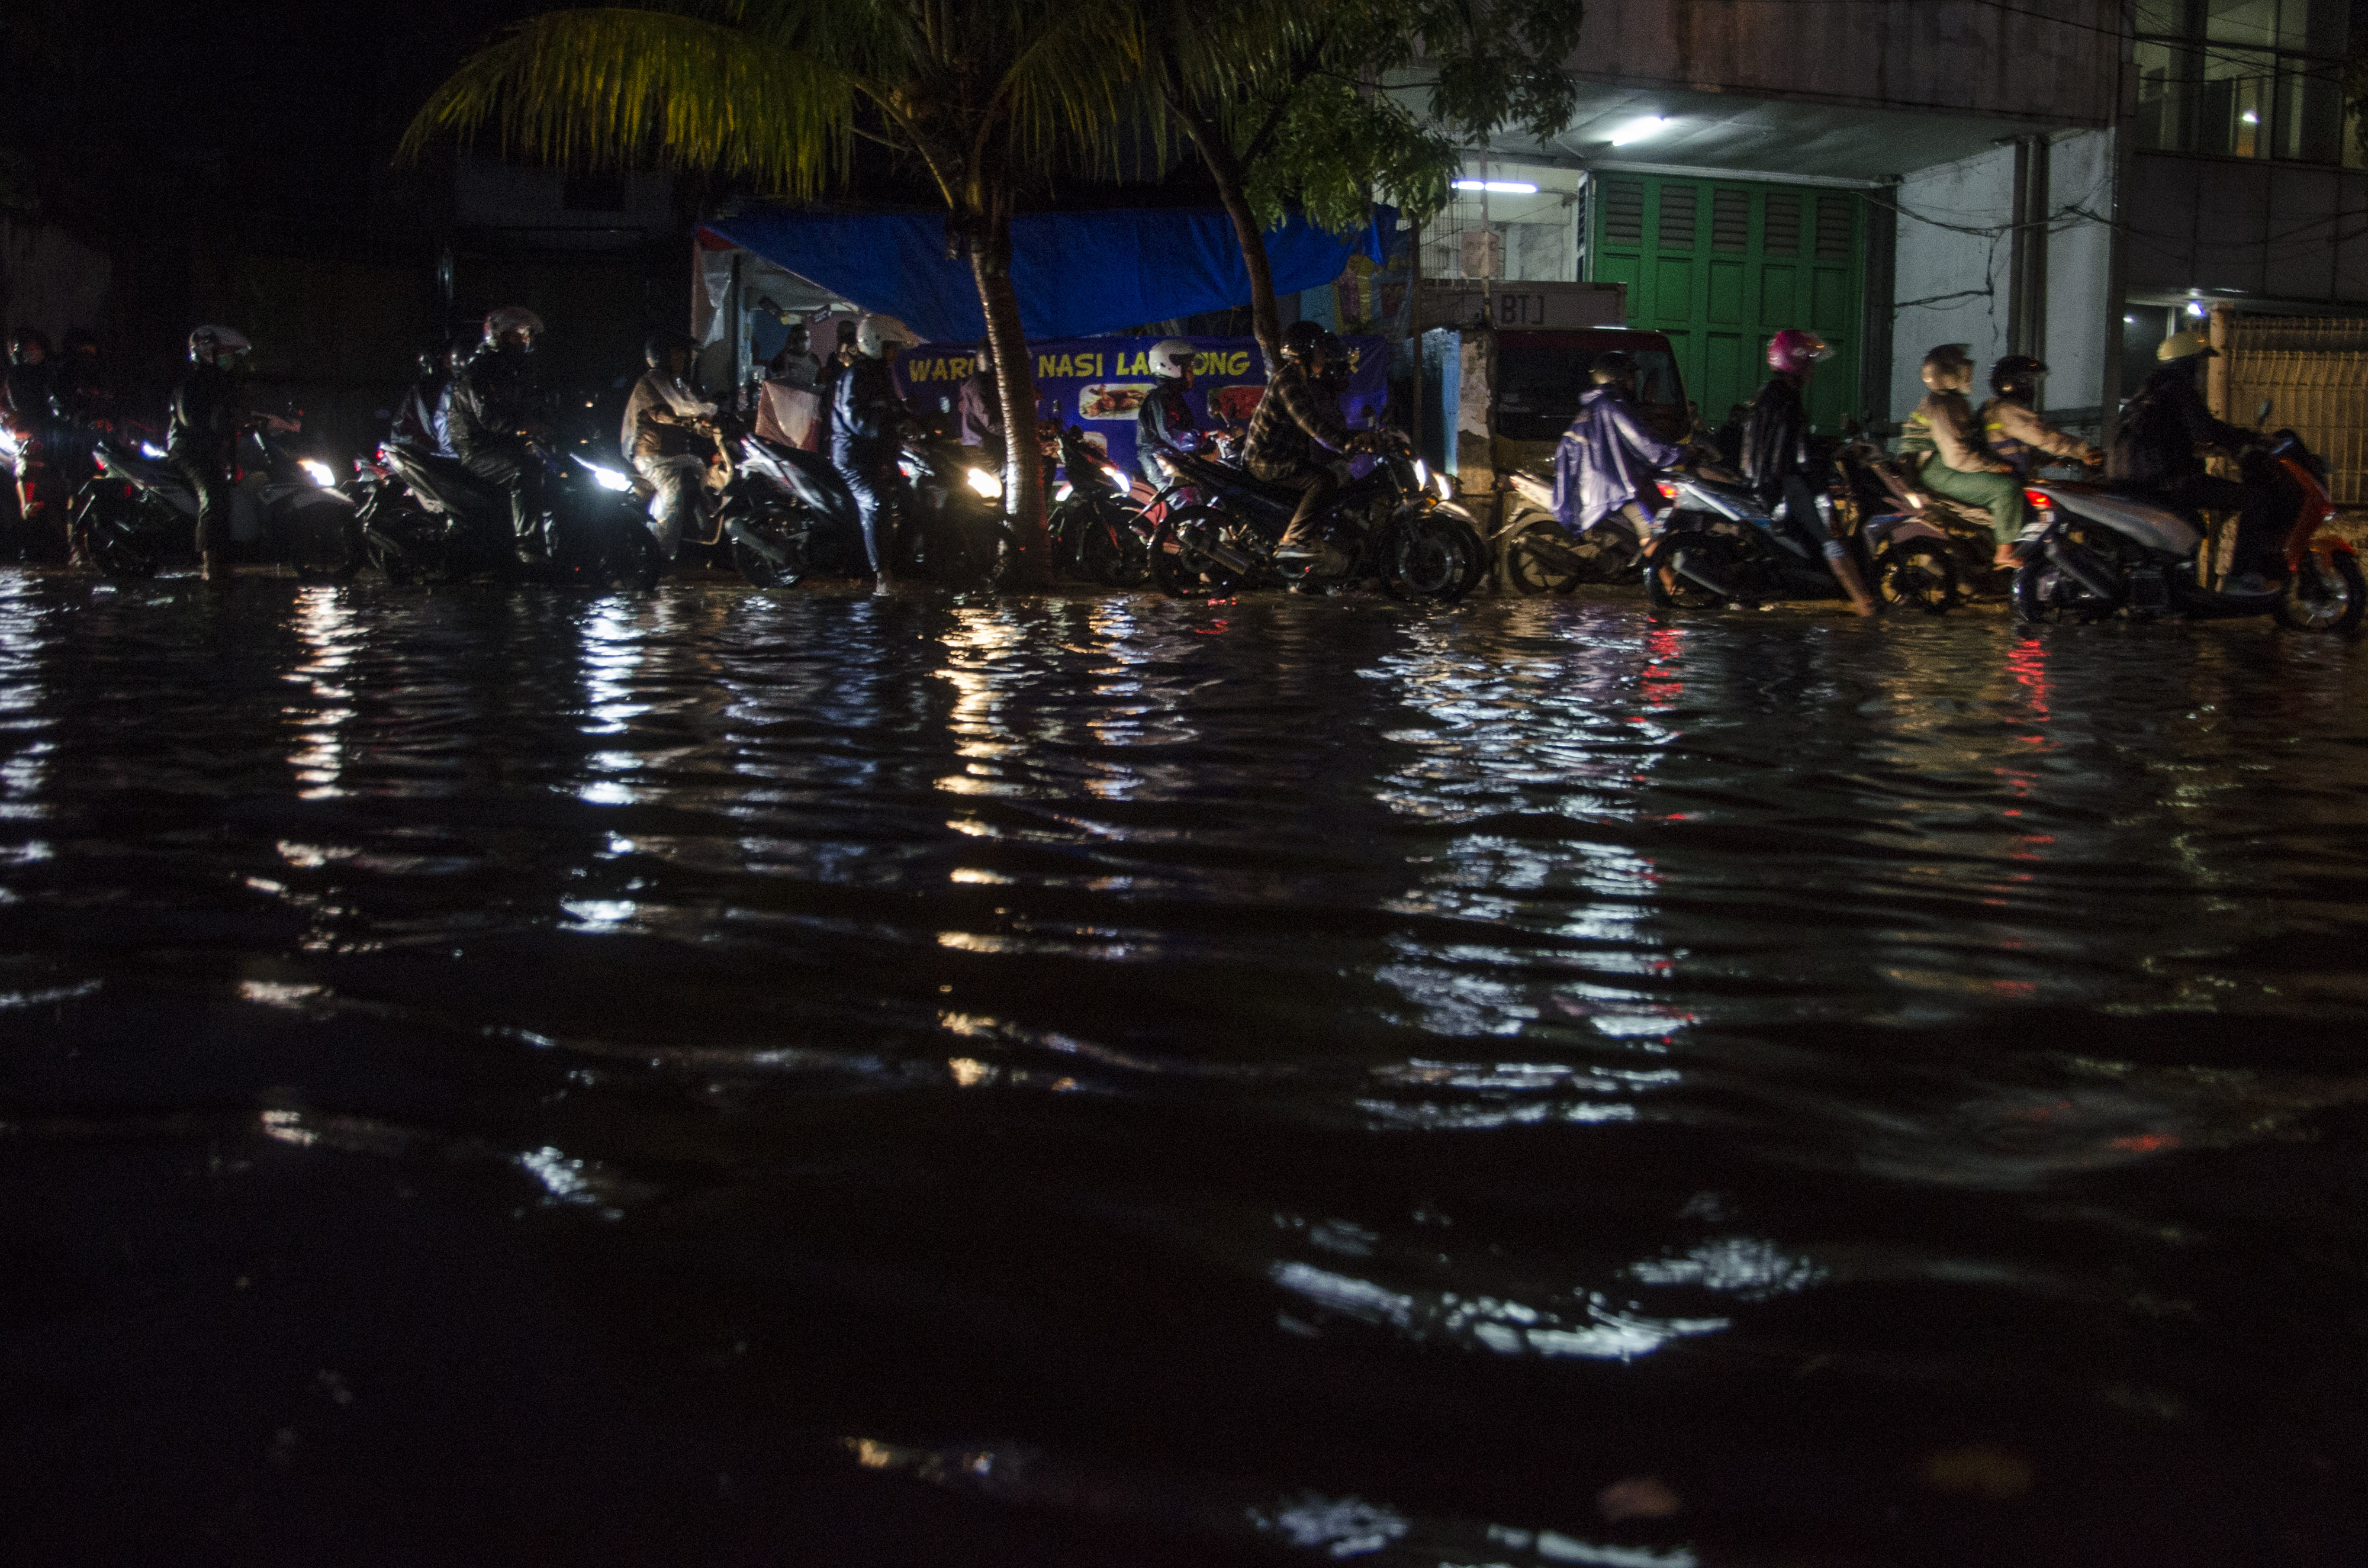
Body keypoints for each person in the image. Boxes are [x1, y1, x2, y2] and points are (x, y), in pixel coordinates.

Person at [2109, 329, 2285, 592]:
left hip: (2136, 480)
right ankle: (2242, 577)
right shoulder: (2178, 389)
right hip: (2169, 482)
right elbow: (2205, 430)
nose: (2202, 370)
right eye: (2200, 362)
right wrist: (2251, 439)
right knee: (2256, 500)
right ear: (2188, 363)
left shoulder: (2148, 392)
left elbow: (2169, 436)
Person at [1741, 327, 1877, 616]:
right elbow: (1793, 449)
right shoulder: (1786, 399)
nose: (1814, 370)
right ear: (1797, 362)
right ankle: (1864, 604)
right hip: (1785, 483)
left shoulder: (1771, 394)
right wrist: (1833, 451)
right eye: (1811, 363)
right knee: (1830, 536)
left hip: (1767, 480)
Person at [1242, 320, 1378, 564]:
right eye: (1320, 350)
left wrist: (1354, 439)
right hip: (1267, 459)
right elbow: (1312, 425)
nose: (1324, 356)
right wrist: (1348, 444)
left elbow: (1324, 425)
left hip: (1283, 457)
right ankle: (1293, 541)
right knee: (1323, 480)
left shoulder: (1302, 380)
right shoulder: (1289, 381)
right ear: (1305, 351)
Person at [166, 326, 294, 582]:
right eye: (225, 352)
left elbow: (239, 411)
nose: (230, 358)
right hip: (189, 450)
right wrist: (226, 423)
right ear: (206, 350)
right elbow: (193, 419)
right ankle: (210, 566)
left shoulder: (222, 380)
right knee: (214, 497)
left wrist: (270, 422)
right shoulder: (191, 380)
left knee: (231, 494)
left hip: (215, 450)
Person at [1899, 343, 2025, 571]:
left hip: (1938, 465)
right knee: (2007, 491)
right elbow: (1956, 455)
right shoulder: (1942, 406)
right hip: (1937, 469)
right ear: (1946, 374)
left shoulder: (1951, 402)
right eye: (1960, 368)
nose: (1967, 373)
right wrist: (1994, 467)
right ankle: (2004, 552)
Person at [1552, 349, 1687, 543]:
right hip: (1611, 491)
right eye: (1630, 376)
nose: (1634, 382)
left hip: (1597, 489)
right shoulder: (1610, 406)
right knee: (1654, 537)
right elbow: (1645, 444)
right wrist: (1682, 452)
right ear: (1618, 379)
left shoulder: (1593, 407)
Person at [446, 306, 549, 561]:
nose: (525, 341)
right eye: (520, 335)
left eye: (527, 335)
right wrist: (524, 428)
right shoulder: (481, 371)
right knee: (524, 470)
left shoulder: (514, 370)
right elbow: (490, 418)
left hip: (504, 445)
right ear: (501, 336)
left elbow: (535, 404)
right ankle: (527, 544)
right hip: (478, 449)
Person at [829, 314, 911, 593]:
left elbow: (894, 408)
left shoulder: (880, 373)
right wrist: (884, 429)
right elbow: (856, 417)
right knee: (876, 503)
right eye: (892, 346)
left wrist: (921, 422)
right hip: (855, 459)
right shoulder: (856, 375)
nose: (896, 352)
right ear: (877, 343)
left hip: (878, 455)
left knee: (909, 494)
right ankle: (883, 576)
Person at [621, 331, 719, 561]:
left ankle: (704, 532)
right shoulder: (649, 382)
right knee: (673, 499)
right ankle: (660, 554)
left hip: (676, 455)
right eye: (677, 353)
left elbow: (697, 407)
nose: (683, 358)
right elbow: (659, 413)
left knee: (703, 470)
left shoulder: (677, 385)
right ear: (662, 355)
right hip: (654, 457)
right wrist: (683, 421)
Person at [1980, 356, 2100, 481]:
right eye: (2027, 380)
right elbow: (2043, 437)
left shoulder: (1997, 409)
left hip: (2008, 479)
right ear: (2014, 383)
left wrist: (2050, 461)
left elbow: (2016, 450)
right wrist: (2084, 452)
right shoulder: (2006, 411)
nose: (2032, 385)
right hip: (2007, 483)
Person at [3, 328, 59, 553]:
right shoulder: (15, 376)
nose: (33, 353)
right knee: (28, 465)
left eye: (36, 349)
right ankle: (28, 507)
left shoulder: (51, 372)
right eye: (28, 349)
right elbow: (17, 406)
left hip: (54, 433)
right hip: (28, 433)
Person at [1135, 337, 1208, 491]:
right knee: (1191, 509)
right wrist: (1203, 438)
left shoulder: (1170, 395)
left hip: (1169, 461)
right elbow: (1174, 436)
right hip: (1162, 465)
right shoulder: (1164, 396)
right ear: (1171, 368)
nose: (1192, 375)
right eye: (1189, 370)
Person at [390, 341, 459, 458]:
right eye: (447, 360)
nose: (450, 365)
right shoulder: (431, 389)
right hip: (420, 450)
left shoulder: (445, 386)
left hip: (426, 449)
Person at [955, 339, 1003, 459]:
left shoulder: (987, 382)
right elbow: (992, 423)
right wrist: (1022, 431)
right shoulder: (979, 386)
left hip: (987, 446)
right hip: (982, 451)